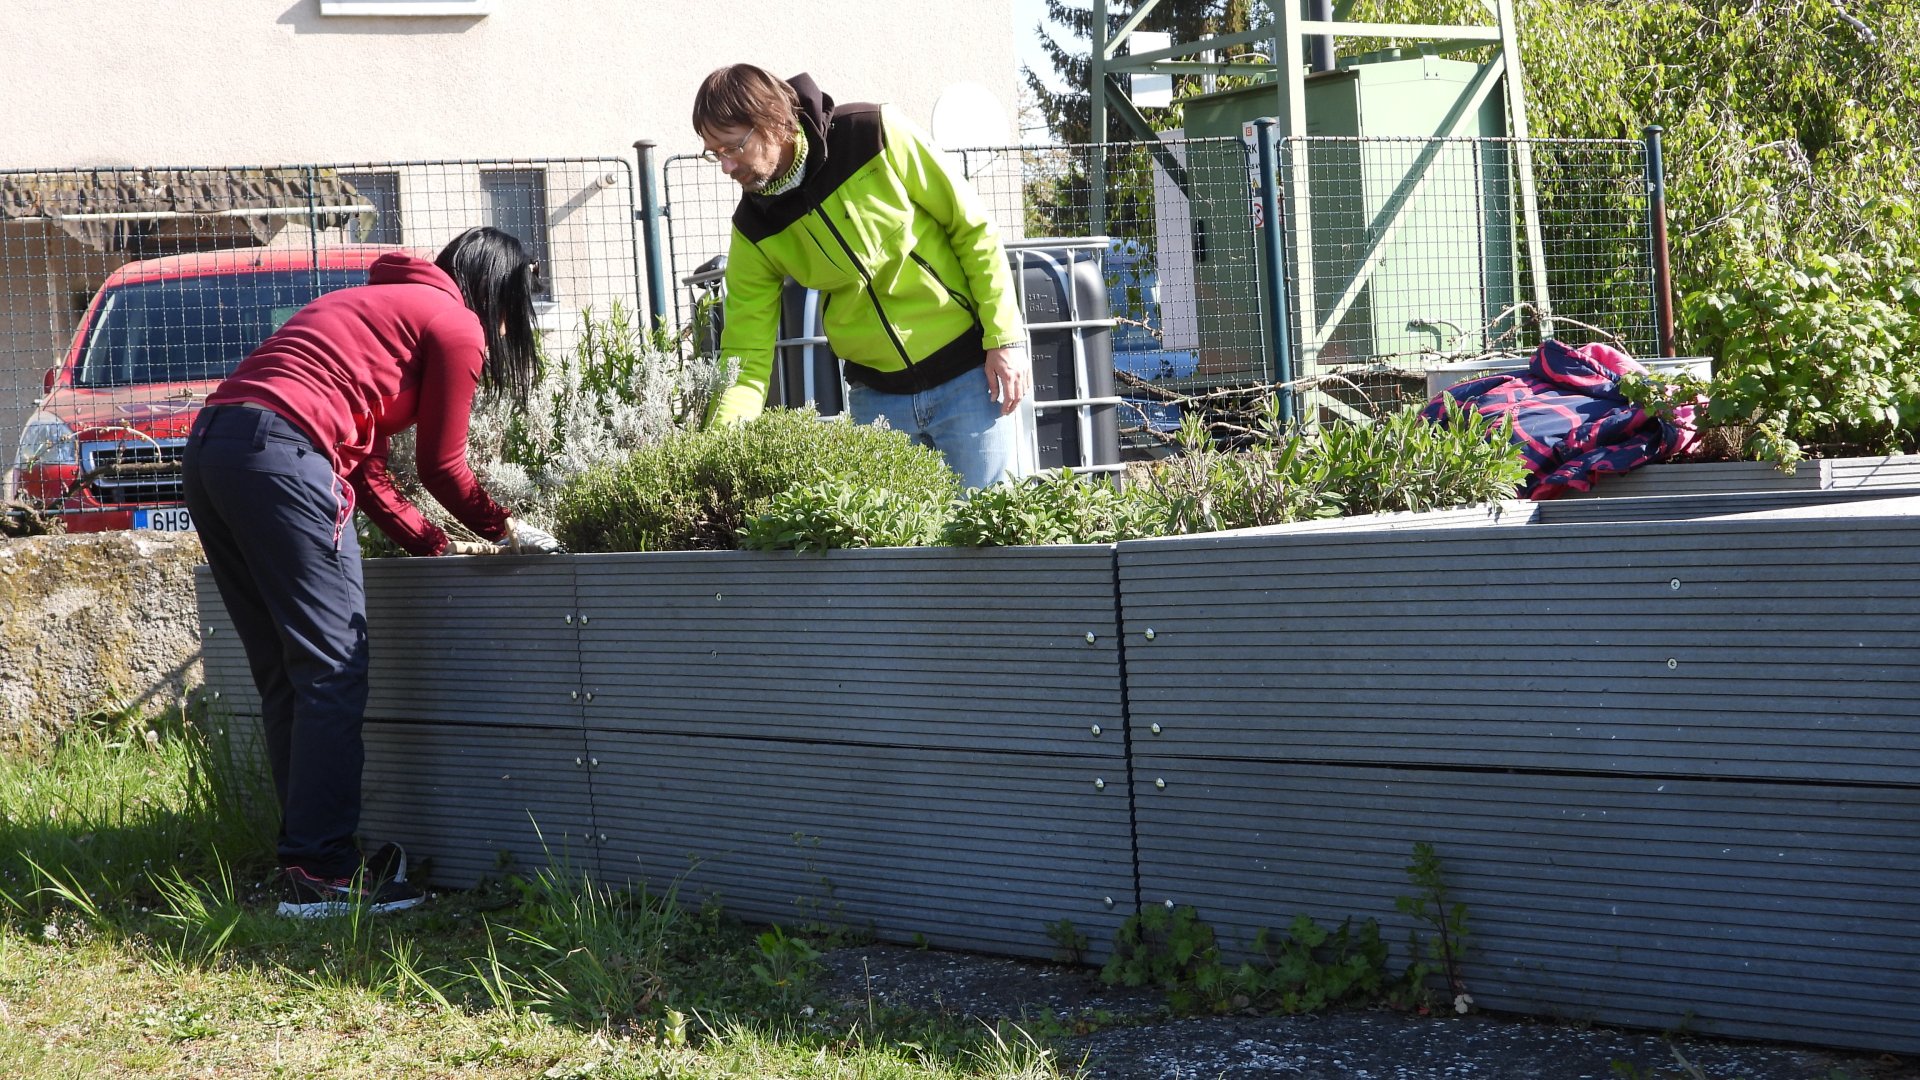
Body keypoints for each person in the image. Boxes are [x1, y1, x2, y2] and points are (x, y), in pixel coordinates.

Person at [182, 226, 564, 919]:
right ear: (497, 292)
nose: (511, 324)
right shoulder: (453, 324)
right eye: (514, 305)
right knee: (333, 668)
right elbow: (442, 468)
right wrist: (506, 528)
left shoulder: (374, 306)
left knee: (287, 671)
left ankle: (305, 862)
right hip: (283, 455)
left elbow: (369, 468)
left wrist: (436, 547)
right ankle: (325, 872)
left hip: (214, 450)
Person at [693, 64, 1032, 490]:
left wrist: (1005, 339)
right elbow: (744, 356)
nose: (725, 166)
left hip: (971, 379)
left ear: (773, 122)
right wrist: (716, 459)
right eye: (713, 153)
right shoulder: (753, 229)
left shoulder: (874, 132)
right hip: (877, 403)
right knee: (893, 555)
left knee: (990, 546)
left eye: (731, 147)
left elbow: (972, 227)